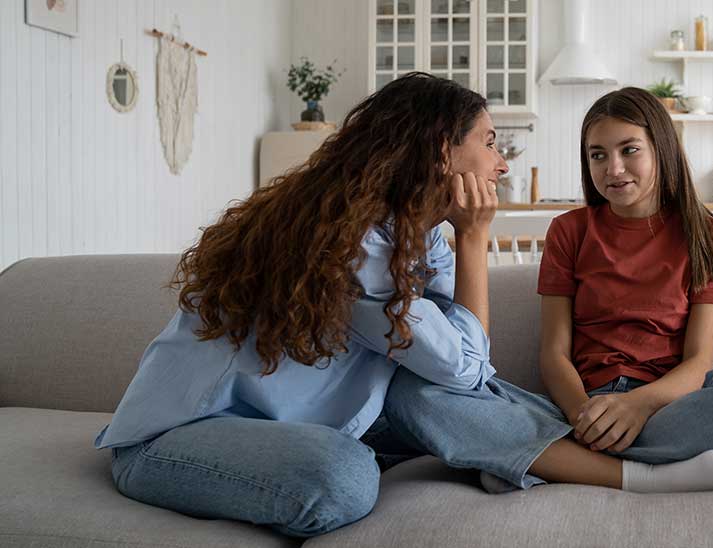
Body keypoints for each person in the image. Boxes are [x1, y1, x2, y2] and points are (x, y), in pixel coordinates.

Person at [94, 72, 507, 537]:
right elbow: (465, 364)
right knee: (345, 479)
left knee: (445, 406)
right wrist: (474, 237)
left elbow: (467, 361)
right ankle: (502, 455)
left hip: (287, 426)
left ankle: (547, 451)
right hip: (174, 440)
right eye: (490, 143)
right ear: (439, 150)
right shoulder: (354, 247)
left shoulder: (415, 232)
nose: (502, 164)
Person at [384, 87, 713, 494]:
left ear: (661, 149)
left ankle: (542, 460)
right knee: (415, 394)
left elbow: (699, 361)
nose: (613, 169)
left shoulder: (708, 234)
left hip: (665, 408)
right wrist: (582, 414)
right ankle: (612, 466)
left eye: (629, 150)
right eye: (597, 155)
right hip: (574, 410)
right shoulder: (569, 231)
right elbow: (554, 355)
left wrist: (637, 406)